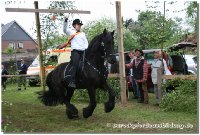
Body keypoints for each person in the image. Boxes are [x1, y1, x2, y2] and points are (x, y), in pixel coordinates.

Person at [58, 18, 89, 88]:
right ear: (74, 25)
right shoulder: (71, 32)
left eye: (80, 25)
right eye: (78, 25)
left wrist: (86, 48)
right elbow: (64, 30)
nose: (79, 26)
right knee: (75, 64)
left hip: (83, 51)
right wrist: (65, 22)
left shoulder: (83, 34)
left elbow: (86, 42)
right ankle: (71, 81)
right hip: (75, 52)